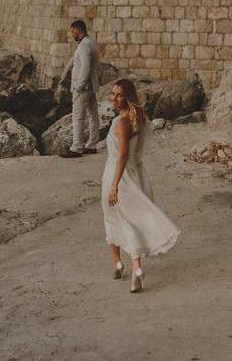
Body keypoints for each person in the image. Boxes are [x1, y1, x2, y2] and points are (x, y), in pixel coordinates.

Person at [102, 78, 180, 293]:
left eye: (118, 95)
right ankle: (130, 267)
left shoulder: (122, 122)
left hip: (118, 176)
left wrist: (114, 186)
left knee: (114, 219)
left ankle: (123, 264)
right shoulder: (140, 119)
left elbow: (123, 155)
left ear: (127, 97)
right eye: (112, 94)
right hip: (137, 173)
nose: (114, 98)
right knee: (131, 220)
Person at [60, 20, 101, 158]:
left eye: (72, 32)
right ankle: (92, 145)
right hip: (92, 86)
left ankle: (77, 147)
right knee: (93, 116)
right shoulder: (91, 43)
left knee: (78, 117)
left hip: (83, 88)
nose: (72, 35)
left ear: (77, 31)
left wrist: (79, 86)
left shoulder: (84, 46)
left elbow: (86, 67)